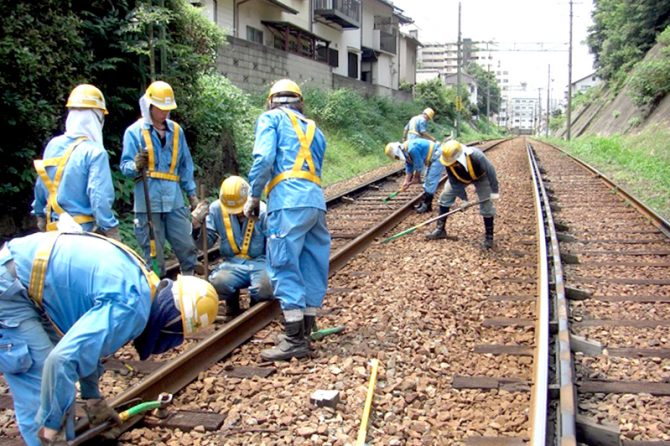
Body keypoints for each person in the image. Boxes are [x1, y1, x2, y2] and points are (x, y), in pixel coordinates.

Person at [0, 227, 218, 446]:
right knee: (40, 387)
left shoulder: (143, 283)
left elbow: (84, 348)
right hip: (10, 290)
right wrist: (51, 429)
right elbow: (61, 360)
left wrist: (92, 398)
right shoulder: (130, 308)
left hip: (27, 282)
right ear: (170, 321)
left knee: (56, 381)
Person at [244, 79, 331, 361]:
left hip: (288, 201)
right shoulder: (315, 129)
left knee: (283, 263)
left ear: (272, 101)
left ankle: (294, 339)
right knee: (311, 264)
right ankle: (304, 329)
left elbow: (264, 158)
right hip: (315, 202)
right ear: (299, 102)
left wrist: (254, 195)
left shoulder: (270, 119)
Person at [120, 80, 200, 276]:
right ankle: (158, 287)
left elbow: (185, 164)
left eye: (167, 109)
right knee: (153, 252)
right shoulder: (134, 132)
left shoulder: (176, 131)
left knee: (185, 243)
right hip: (148, 202)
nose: (164, 113)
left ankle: (189, 281)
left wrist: (192, 195)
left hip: (174, 200)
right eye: (160, 109)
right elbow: (125, 167)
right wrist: (136, 165)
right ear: (150, 106)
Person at [32, 84, 120, 240]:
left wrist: (39, 213)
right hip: (83, 233)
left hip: (52, 229)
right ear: (97, 117)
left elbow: (41, 183)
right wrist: (109, 228)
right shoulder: (95, 152)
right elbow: (99, 196)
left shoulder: (53, 144)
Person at [201, 175, 273, 319]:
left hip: (259, 262)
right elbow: (206, 243)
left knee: (266, 289)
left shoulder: (263, 211)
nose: (238, 214)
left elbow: (273, 245)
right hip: (231, 263)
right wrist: (197, 225)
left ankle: (256, 302)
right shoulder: (216, 209)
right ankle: (231, 301)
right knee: (216, 283)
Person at [425, 140, 500, 248]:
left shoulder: (477, 156)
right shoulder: (447, 161)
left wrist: (494, 191)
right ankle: (440, 229)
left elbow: (491, 171)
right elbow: (454, 183)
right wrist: (464, 199)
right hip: (460, 179)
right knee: (445, 196)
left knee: (486, 205)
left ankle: (489, 238)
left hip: (481, 177)